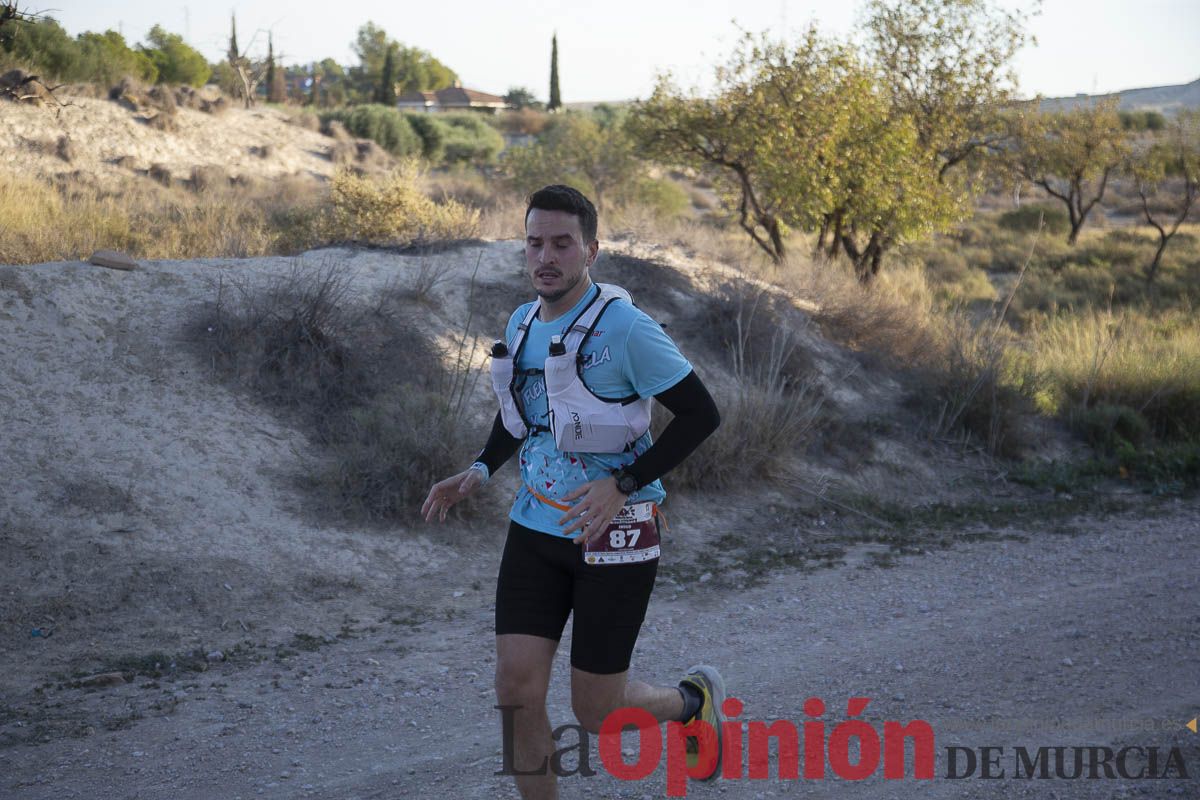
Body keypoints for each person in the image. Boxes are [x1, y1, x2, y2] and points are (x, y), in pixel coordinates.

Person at [422, 184, 724, 799]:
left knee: (599, 714)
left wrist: (626, 483)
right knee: (516, 691)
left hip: (617, 533)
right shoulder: (523, 320)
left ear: (592, 248)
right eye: (535, 243)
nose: (546, 257)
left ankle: (692, 701)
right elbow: (522, 417)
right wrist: (478, 471)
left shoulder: (628, 330)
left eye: (562, 243)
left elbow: (701, 414)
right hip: (536, 529)